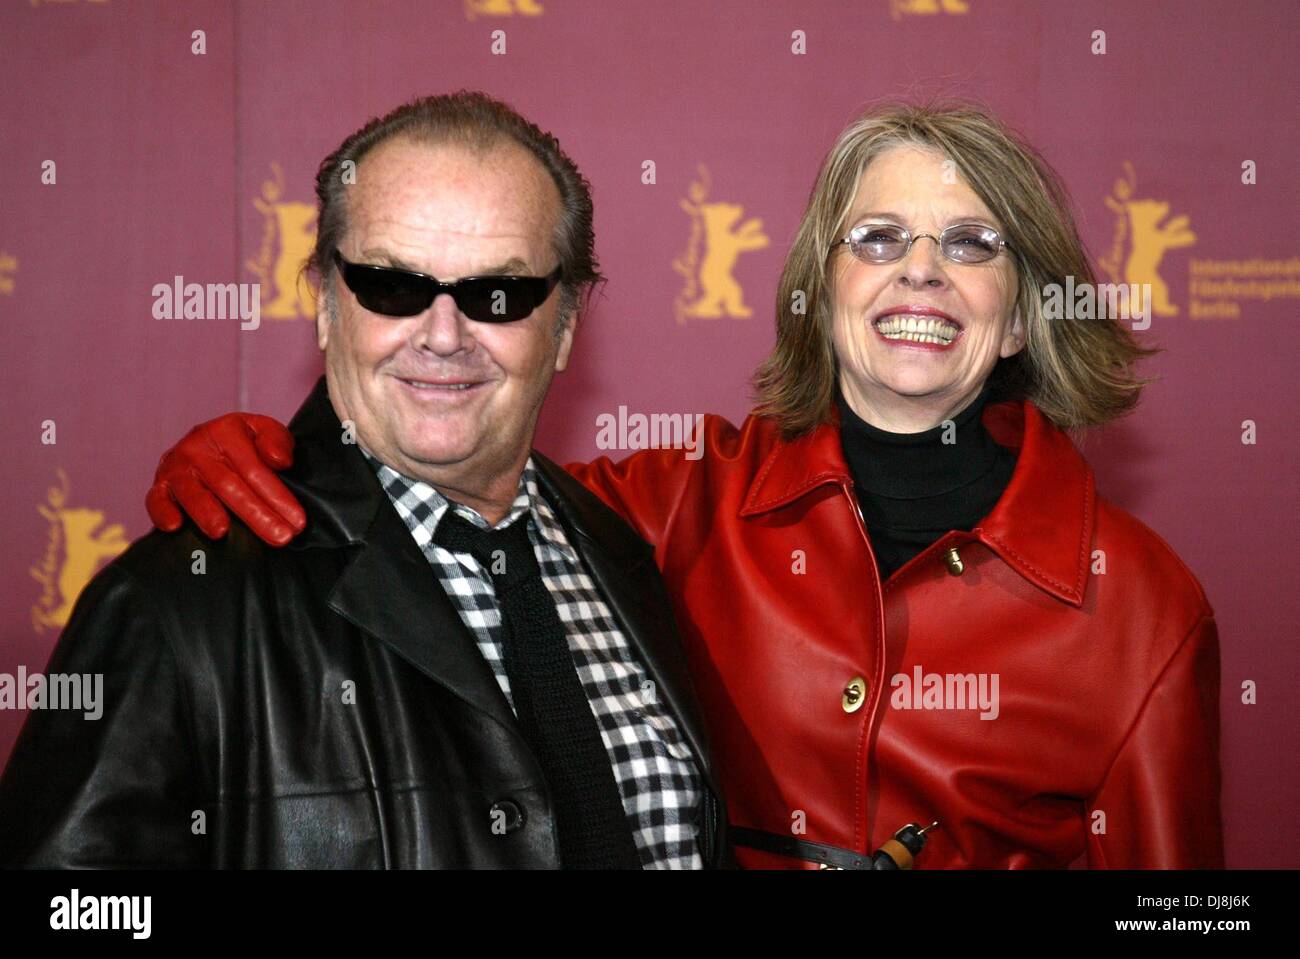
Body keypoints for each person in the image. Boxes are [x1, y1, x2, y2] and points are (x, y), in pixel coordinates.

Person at [142, 101, 1222, 869]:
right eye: (878, 236)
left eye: (973, 243)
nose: (921, 270)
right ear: (819, 286)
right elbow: (434, 479)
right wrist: (280, 456)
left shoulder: (1140, 603)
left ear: (1029, 306)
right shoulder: (664, 504)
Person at [0, 92, 727, 869]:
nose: (444, 335)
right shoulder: (176, 601)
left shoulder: (623, 556)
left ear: (567, 326)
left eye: (498, 295)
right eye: (393, 285)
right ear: (323, 301)